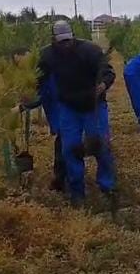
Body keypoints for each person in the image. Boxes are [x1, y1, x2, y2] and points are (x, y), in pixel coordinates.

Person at [37, 21, 117, 209]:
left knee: (101, 146)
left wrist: (103, 85)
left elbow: (108, 72)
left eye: (68, 40)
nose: (65, 44)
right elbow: (38, 78)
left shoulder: (90, 51)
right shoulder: (47, 55)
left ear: (72, 36)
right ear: (54, 40)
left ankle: (107, 186)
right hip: (68, 108)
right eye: (61, 41)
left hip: (93, 105)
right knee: (69, 148)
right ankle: (77, 193)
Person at [10, 47, 67, 193]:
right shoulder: (36, 72)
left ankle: (63, 184)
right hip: (59, 111)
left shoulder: (46, 68)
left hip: (65, 110)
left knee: (64, 147)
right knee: (63, 145)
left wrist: (22, 107)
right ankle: (62, 181)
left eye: (22, 61)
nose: (22, 66)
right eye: (18, 64)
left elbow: (43, 95)